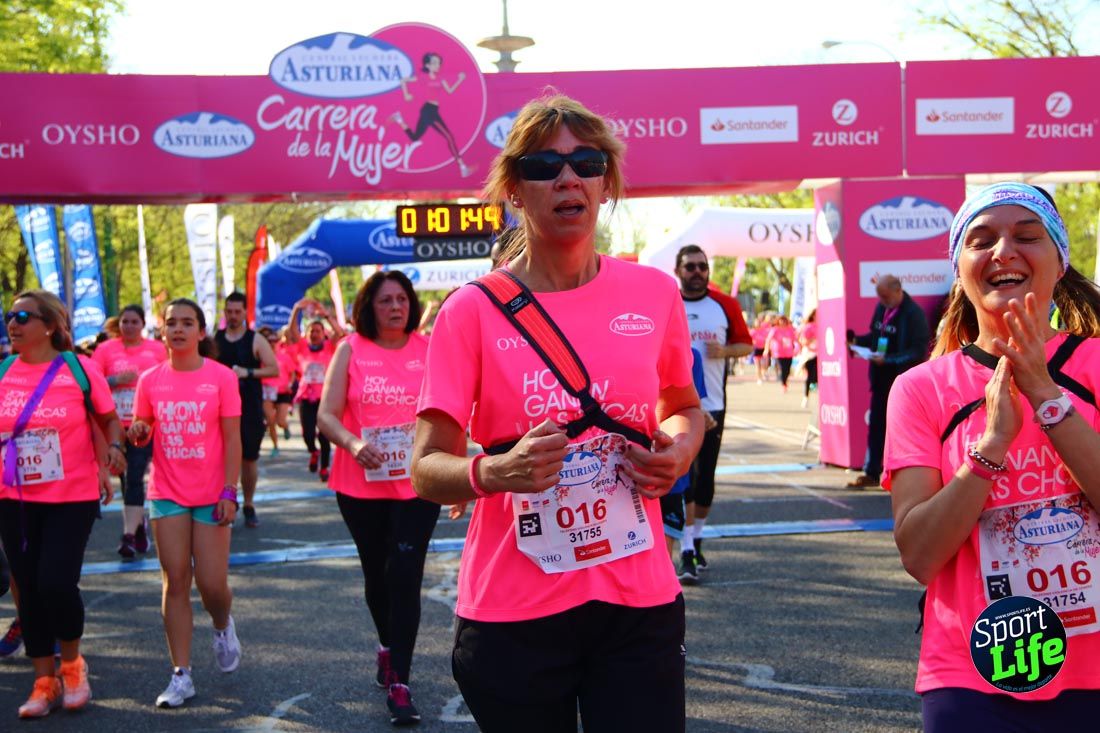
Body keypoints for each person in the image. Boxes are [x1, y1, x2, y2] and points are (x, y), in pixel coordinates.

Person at [411, 94, 704, 733]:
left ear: (606, 183)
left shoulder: (654, 293)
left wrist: (678, 451)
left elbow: (682, 407)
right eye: (544, 165)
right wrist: (493, 472)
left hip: (637, 599)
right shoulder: (471, 310)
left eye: (586, 162)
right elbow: (424, 469)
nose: (568, 178)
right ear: (515, 189)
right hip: (514, 610)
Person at [885, 182, 1100, 731]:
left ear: (1059, 261)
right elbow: (920, 555)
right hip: (970, 675)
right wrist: (990, 449)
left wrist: (1047, 399)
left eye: (1026, 236)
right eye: (981, 241)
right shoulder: (920, 389)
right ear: (961, 269)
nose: (1003, 251)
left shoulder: (1094, 365)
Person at [317, 271, 442, 727]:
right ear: (369, 307)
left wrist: (458, 474)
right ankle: (387, 646)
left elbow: (448, 413)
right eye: (386, 300)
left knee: (404, 573)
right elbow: (326, 416)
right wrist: (352, 444)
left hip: (417, 482)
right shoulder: (351, 349)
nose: (396, 307)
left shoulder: (429, 350)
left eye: (402, 300)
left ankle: (401, 682)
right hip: (360, 483)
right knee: (377, 574)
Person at [0, 290, 124, 718]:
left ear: (50, 325)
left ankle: (72, 665)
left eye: (22, 317)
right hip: (13, 498)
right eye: (9, 316)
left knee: (56, 583)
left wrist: (113, 450)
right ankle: (43, 681)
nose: (12, 324)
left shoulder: (78, 369)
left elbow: (108, 418)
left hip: (71, 494)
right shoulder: (2, 372)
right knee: (29, 589)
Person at [129, 298, 243, 708]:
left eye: (187, 323)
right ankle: (181, 674)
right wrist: (139, 430)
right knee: (175, 580)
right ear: (162, 331)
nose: (178, 329)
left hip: (213, 494)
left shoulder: (221, 377)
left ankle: (221, 624)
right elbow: (142, 431)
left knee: (212, 584)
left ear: (200, 332)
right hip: (167, 492)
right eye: (171, 323)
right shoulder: (150, 380)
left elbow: (233, 440)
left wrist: (231, 491)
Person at [672, 245, 752, 579]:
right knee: (684, 477)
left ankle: (696, 540)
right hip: (676, 406)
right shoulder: (668, 301)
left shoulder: (725, 305)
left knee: (705, 480)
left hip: (714, 403)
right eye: (690, 266)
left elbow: (747, 345)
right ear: (678, 270)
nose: (697, 272)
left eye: (702, 266)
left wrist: (727, 350)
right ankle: (686, 549)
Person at [91, 304, 167, 558]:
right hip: (114, 424)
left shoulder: (156, 349)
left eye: (135, 321)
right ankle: (138, 525)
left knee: (134, 475)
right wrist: (116, 380)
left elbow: (169, 378)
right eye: (125, 321)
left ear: (143, 324)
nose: (129, 326)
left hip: (143, 424)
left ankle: (128, 536)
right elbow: (90, 382)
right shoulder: (105, 350)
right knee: (124, 476)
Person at [847, 274, 930, 489]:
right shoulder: (881, 309)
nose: (882, 301)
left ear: (897, 290)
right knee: (876, 425)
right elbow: (876, 337)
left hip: (901, 380)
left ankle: (907, 477)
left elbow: (918, 351)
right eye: (879, 297)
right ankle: (872, 471)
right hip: (879, 378)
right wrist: (857, 342)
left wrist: (889, 360)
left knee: (903, 430)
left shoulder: (913, 314)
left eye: (885, 296)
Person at [214, 291, 277, 527]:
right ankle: (226, 501)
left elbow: (273, 369)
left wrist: (248, 372)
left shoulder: (255, 339)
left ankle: (248, 503)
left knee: (249, 459)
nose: (232, 316)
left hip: (249, 407)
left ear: (244, 312)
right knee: (220, 459)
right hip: (219, 409)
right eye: (228, 311)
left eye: (237, 312)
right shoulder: (215, 338)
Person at [391, 52, 471, 177]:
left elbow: (450, 90)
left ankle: (399, 120)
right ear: (427, 65)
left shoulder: (441, 78)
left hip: (432, 110)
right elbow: (403, 80)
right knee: (449, 137)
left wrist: (460, 80)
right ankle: (462, 166)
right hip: (428, 111)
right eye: (434, 63)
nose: (437, 65)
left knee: (415, 137)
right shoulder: (423, 77)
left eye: (438, 62)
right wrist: (406, 94)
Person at [288, 299, 342, 481]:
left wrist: (326, 315)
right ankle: (313, 451)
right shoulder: (303, 347)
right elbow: (292, 332)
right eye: (311, 330)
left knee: (325, 435)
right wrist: (296, 309)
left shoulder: (329, 347)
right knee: (308, 434)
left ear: (323, 333)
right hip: (306, 397)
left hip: (325, 397)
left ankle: (325, 467)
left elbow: (340, 333)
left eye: (318, 331)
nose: (314, 334)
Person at [259, 326, 296, 457]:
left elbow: (292, 373)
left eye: (274, 340)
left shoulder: (284, 356)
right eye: (269, 341)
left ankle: (285, 426)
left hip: (282, 391)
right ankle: (275, 446)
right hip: (267, 391)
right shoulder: (261, 357)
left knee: (280, 421)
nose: (272, 343)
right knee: (270, 420)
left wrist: (290, 384)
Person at [764, 314, 798, 393]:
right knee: (782, 369)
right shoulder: (775, 329)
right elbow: (768, 340)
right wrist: (766, 349)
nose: (782, 322)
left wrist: (799, 347)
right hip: (778, 353)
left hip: (789, 353)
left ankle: (785, 381)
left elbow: (795, 340)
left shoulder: (790, 330)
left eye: (784, 320)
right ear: (778, 321)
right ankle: (784, 384)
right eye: (781, 320)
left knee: (788, 370)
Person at [798, 308, 819, 409]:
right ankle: (806, 397)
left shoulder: (824, 325)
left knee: (818, 377)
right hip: (810, 354)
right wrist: (813, 339)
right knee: (810, 377)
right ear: (813, 315)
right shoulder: (808, 327)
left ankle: (821, 399)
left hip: (821, 355)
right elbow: (803, 341)